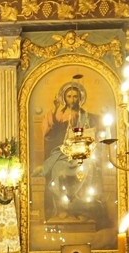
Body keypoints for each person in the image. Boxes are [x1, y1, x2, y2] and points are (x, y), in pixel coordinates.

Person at [39, 80, 104, 223]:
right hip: (62, 153)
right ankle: (62, 209)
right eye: (69, 96)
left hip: (82, 153)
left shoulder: (86, 116)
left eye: (75, 96)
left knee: (88, 170)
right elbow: (49, 135)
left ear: (80, 98)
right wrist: (55, 110)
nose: (72, 100)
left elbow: (93, 135)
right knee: (57, 171)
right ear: (64, 97)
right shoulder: (58, 115)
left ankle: (83, 210)